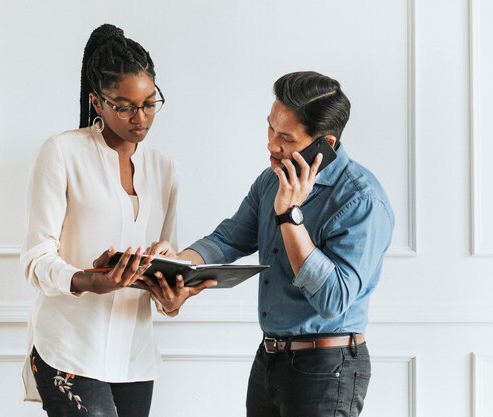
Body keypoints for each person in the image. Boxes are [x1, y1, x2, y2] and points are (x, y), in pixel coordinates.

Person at [146, 71, 395, 416]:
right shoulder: (269, 181)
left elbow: (332, 299)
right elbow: (227, 238)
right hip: (270, 360)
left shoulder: (360, 199)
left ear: (326, 145)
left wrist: (290, 214)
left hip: (327, 367)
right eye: (270, 128)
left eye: (286, 138)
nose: (272, 145)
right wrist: (178, 263)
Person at [20, 24, 214, 417]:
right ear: (97, 101)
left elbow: (165, 258)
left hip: (134, 356)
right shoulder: (61, 153)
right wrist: (95, 281)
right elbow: (35, 259)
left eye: (149, 103)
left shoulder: (163, 167)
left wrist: (172, 296)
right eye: (124, 106)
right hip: (68, 350)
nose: (139, 117)